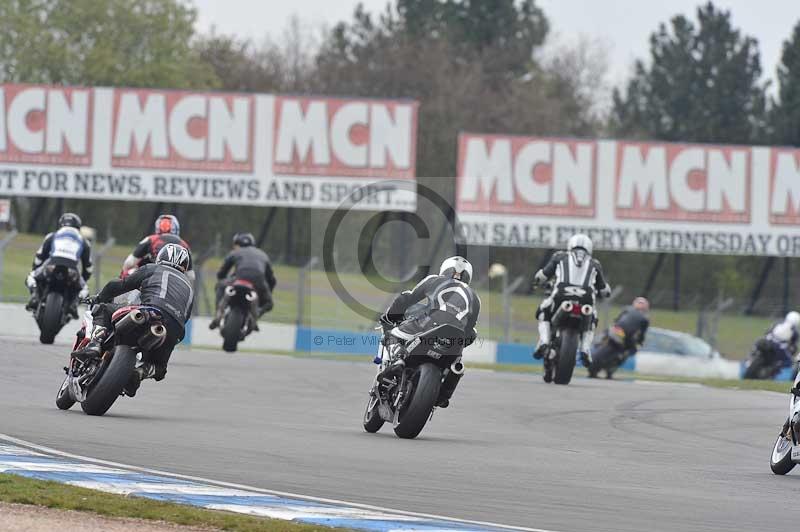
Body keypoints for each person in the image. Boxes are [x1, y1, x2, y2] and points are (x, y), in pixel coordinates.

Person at [72, 243, 193, 396]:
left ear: (161, 256)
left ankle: (95, 344)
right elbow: (186, 317)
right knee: (159, 368)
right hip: (173, 328)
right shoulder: (189, 287)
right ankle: (141, 372)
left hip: (149, 311)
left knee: (103, 309)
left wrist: (100, 297)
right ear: (185, 265)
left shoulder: (152, 268)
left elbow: (121, 285)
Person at [378, 256, 481, 408]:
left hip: (428, 326)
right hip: (455, 339)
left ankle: (399, 359)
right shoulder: (475, 297)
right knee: (459, 359)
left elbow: (407, 298)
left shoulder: (434, 280)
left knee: (391, 334)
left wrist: (389, 317)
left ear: (445, 269)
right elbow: (470, 330)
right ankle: (446, 388)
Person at [532, 234, 611, 380]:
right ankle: (586, 349)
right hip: (586, 298)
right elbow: (605, 290)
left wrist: (537, 283)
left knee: (543, 310)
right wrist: (605, 292)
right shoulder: (595, 263)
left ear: (570, 245)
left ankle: (543, 341)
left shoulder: (559, 256)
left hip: (561, 293)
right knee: (592, 318)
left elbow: (542, 276)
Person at [26, 213, 92, 317]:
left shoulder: (52, 235)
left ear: (61, 224)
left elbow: (39, 257)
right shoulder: (84, 241)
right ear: (78, 227)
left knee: (31, 276)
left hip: (51, 266)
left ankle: (35, 296)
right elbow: (88, 267)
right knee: (85, 289)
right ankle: (74, 304)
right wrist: (83, 279)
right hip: (72, 270)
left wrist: (36, 270)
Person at [209, 232, 276, 330]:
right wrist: (265, 295)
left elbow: (221, 273)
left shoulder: (236, 252)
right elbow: (272, 280)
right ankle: (255, 316)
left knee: (219, 286)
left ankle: (218, 314)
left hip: (239, 279)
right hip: (258, 283)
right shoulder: (263, 254)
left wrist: (224, 280)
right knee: (269, 303)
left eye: (235, 245)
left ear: (237, 245)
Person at [122, 215, 192, 274]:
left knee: (130, 273)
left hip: (152, 274)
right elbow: (190, 275)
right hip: (176, 279)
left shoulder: (151, 239)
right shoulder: (184, 245)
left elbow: (130, 262)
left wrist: (123, 275)